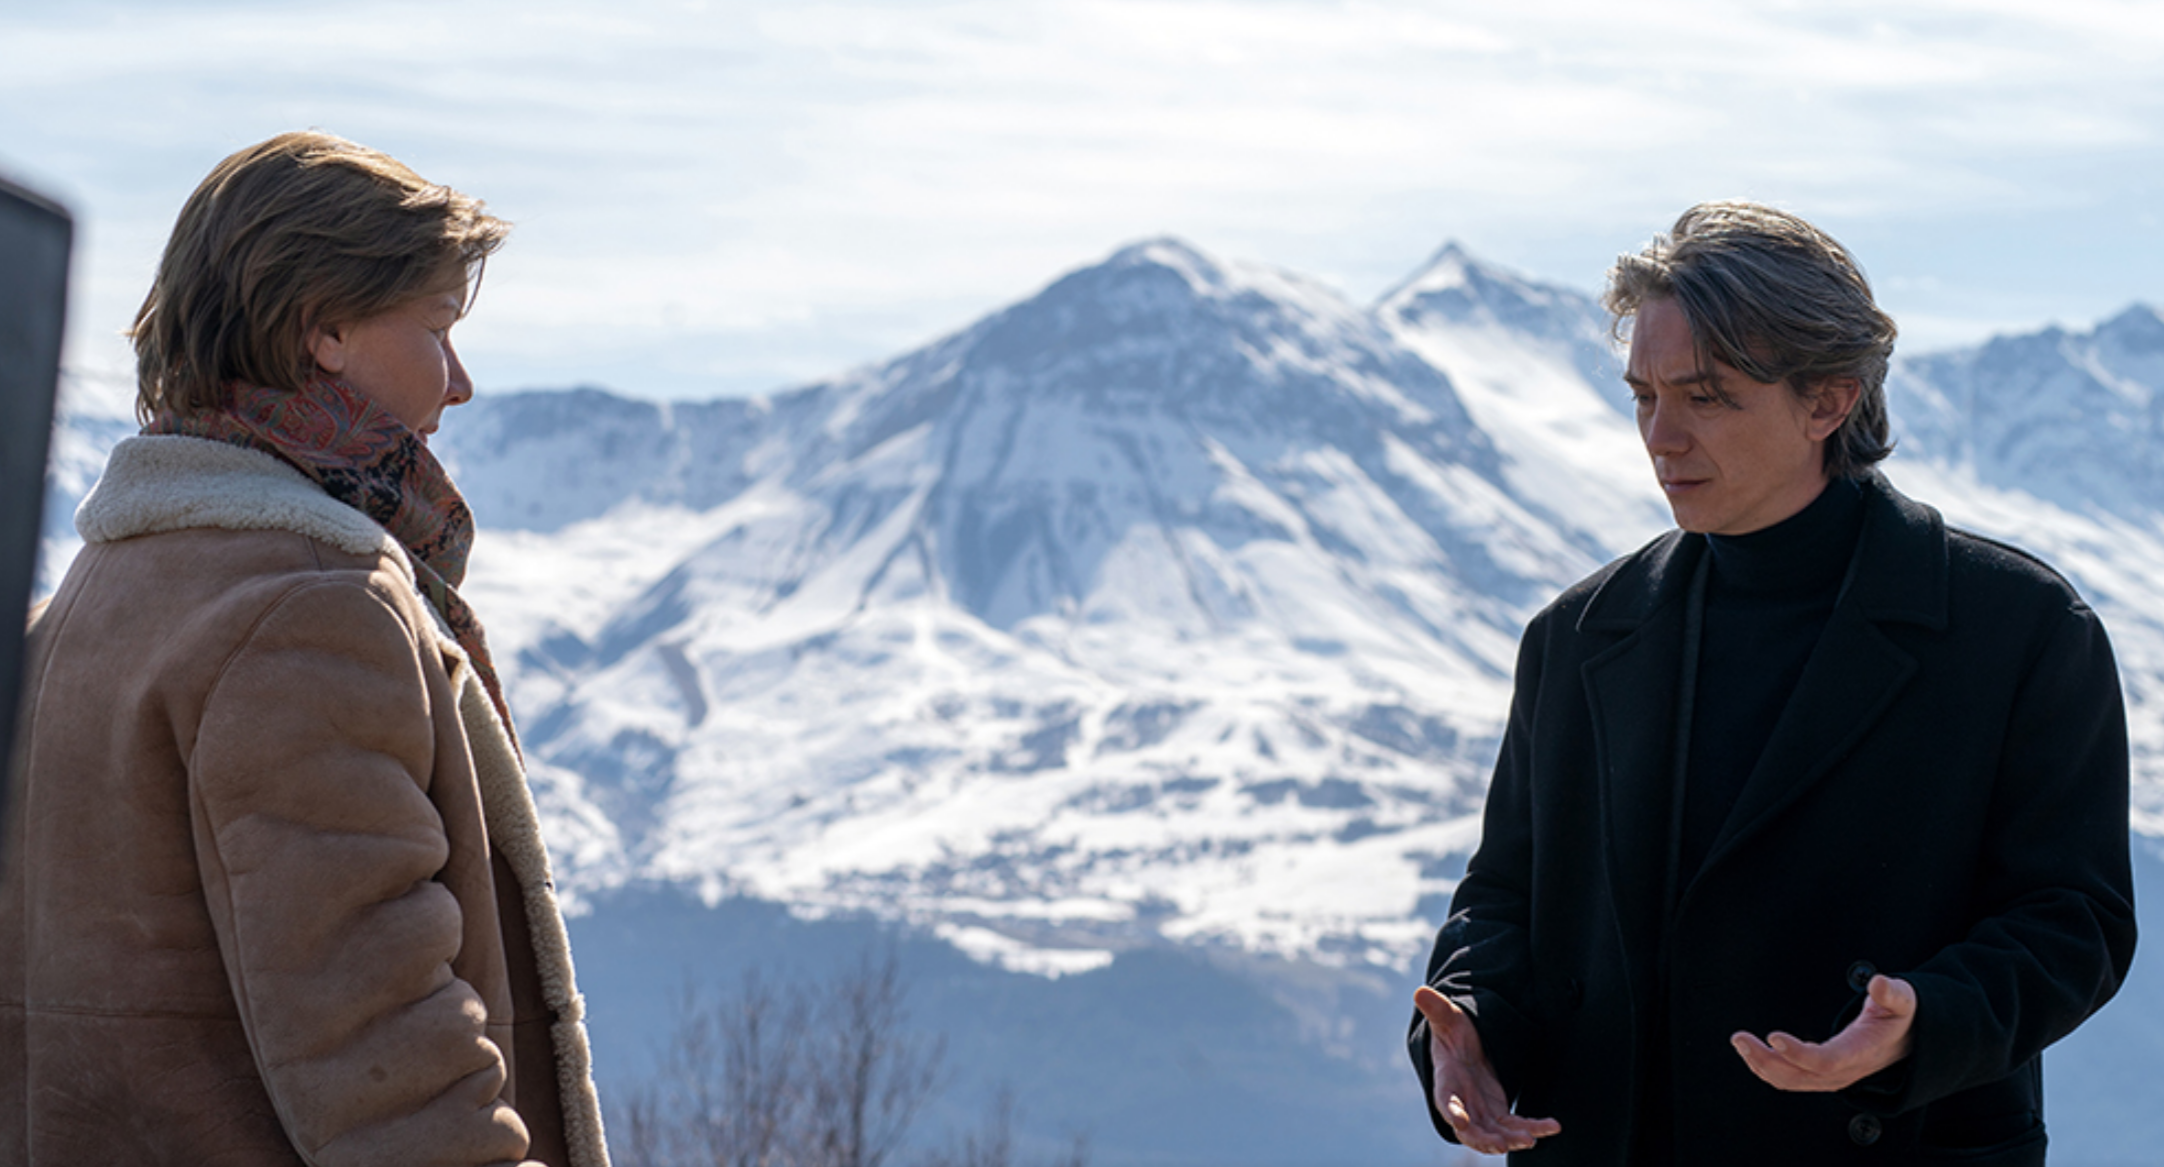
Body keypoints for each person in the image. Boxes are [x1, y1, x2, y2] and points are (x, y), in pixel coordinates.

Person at [1407, 201, 2136, 1164]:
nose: (1661, 436)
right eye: (1643, 396)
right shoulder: (1577, 637)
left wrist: (1923, 1020)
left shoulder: (2018, 628)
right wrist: (1470, 1021)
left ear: (1828, 401)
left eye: (1705, 397)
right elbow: (1506, 894)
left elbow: (2075, 919)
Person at [1, 132, 609, 1166]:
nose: (460, 382)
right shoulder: (310, 609)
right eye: (437, 329)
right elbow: (389, 1056)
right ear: (323, 327)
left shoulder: (88, 603)